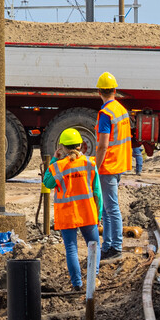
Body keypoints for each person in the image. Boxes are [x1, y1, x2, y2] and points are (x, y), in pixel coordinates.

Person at [41, 127, 103, 296]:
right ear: (81, 145)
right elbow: (97, 193)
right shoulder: (90, 164)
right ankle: (93, 278)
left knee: (71, 249)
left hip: (67, 215)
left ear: (62, 147)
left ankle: (77, 285)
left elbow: (47, 183)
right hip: (88, 213)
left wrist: (55, 159)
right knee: (94, 246)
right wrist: (98, 215)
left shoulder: (58, 167)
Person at [94, 71, 132, 260]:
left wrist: (95, 167)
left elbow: (103, 145)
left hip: (108, 165)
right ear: (115, 90)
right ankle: (108, 245)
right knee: (108, 209)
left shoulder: (105, 114)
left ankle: (115, 246)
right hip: (119, 163)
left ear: (99, 92)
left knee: (111, 208)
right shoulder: (120, 109)